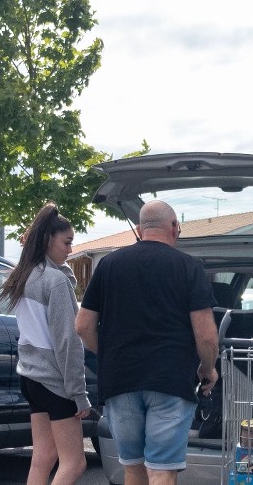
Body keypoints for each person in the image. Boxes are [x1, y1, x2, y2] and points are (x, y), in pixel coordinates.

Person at [75, 200, 219, 485]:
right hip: (170, 380)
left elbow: (82, 326)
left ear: (139, 229)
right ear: (175, 228)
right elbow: (206, 335)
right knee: (162, 470)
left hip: (120, 381)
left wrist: (111, 355)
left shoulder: (108, 264)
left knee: (133, 467)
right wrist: (207, 369)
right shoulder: (188, 267)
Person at [0, 202, 90, 485]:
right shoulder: (55, 281)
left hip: (31, 378)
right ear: (49, 240)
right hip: (55, 381)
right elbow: (68, 342)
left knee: (44, 455)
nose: (71, 249)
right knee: (75, 463)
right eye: (67, 242)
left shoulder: (22, 275)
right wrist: (79, 393)